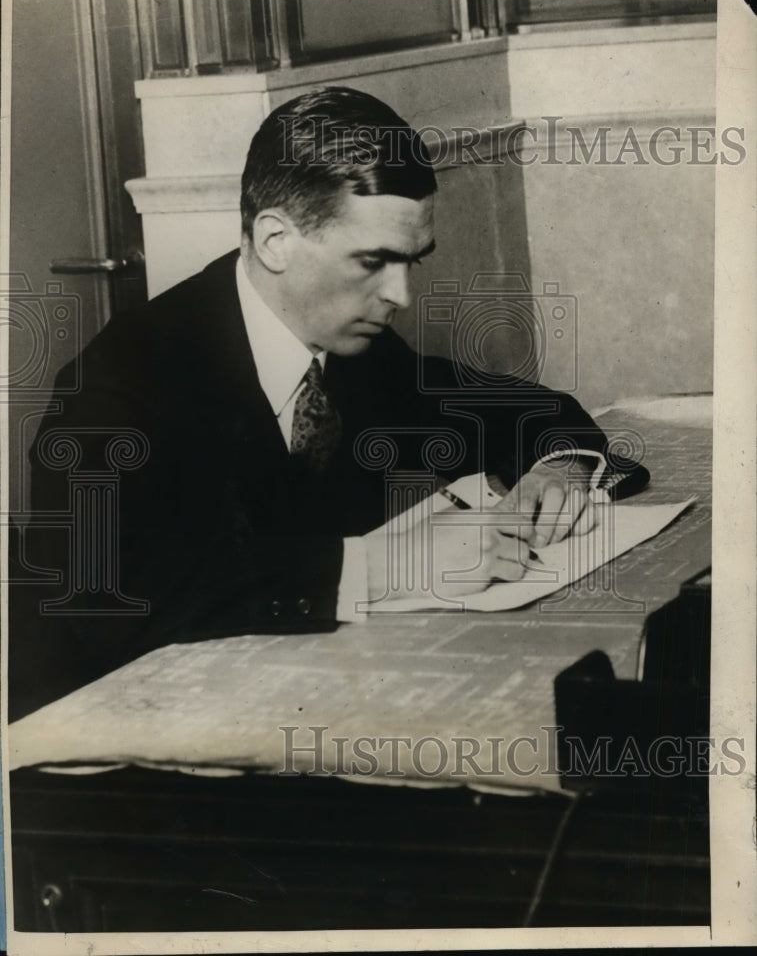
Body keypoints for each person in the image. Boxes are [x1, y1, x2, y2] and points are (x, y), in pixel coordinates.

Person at [11, 86, 607, 719]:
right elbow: (110, 598)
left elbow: (513, 411)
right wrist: (389, 566)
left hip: (291, 696)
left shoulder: (354, 351)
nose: (401, 295)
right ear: (275, 241)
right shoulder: (123, 376)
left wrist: (560, 466)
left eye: (412, 262)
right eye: (374, 261)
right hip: (107, 740)